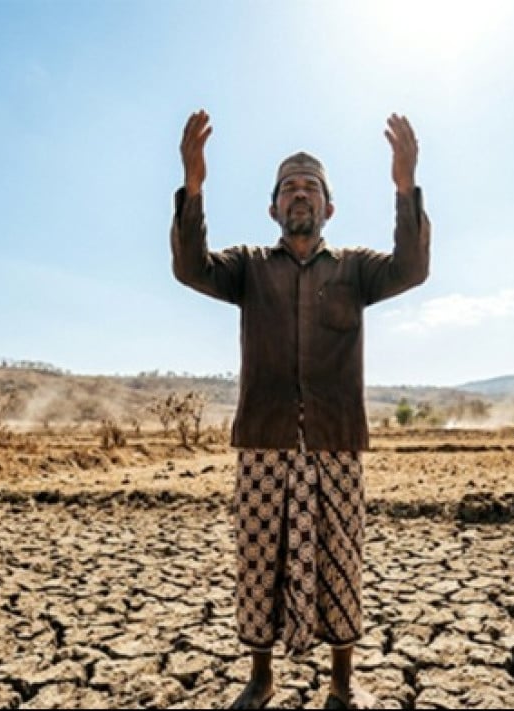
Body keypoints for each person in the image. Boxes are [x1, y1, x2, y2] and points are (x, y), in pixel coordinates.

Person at [172, 109, 431, 709]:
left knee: (341, 558)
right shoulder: (248, 269)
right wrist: (193, 188)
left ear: (329, 208)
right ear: (273, 209)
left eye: (310, 186)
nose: (299, 194)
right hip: (263, 440)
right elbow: (190, 268)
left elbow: (412, 268)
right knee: (260, 560)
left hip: (337, 440)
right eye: (288, 186)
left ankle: (343, 684)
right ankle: (261, 679)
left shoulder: (356, 270)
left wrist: (405, 187)